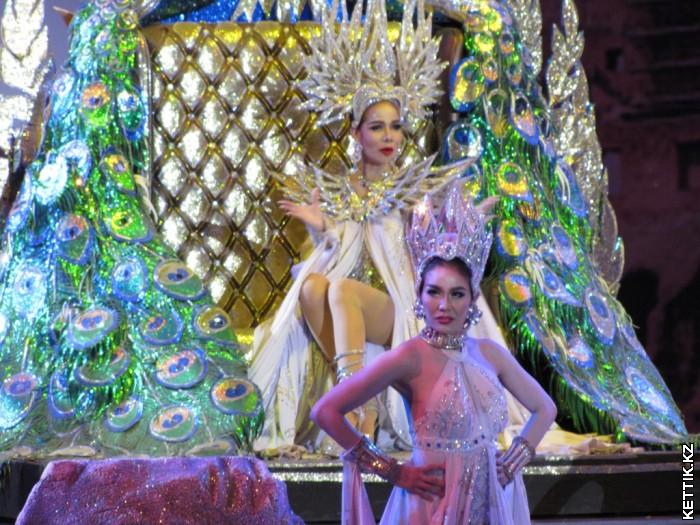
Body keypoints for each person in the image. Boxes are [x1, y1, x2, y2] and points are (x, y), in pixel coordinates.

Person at [249, 0, 474, 450]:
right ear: (356, 133)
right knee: (313, 287)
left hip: (399, 308)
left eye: (395, 127)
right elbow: (334, 254)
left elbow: (429, 255)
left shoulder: (413, 190)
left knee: (340, 291)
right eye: (377, 127)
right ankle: (361, 398)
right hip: (347, 303)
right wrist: (323, 230)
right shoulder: (342, 190)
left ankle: (355, 407)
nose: (389, 136)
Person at [312, 185, 557, 524]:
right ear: (420, 295)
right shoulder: (409, 356)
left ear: (472, 298)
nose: (444, 305)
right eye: (434, 292)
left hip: (488, 505)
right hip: (429, 507)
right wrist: (392, 470)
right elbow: (325, 411)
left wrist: (513, 461)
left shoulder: (489, 354)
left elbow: (545, 408)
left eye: (456, 294)